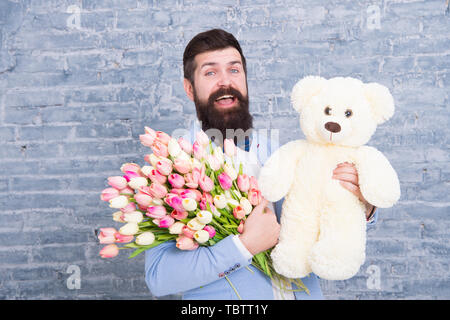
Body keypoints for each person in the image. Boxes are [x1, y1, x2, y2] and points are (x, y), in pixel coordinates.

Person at [144, 28, 377, 300]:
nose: (225, 82)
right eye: (210, 73)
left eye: (234, 70)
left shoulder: (279, 152)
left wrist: (362, 203)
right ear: (189, 88)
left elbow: (316, 223)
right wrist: (243, 246)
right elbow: (160, 278)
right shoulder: (170, 168)